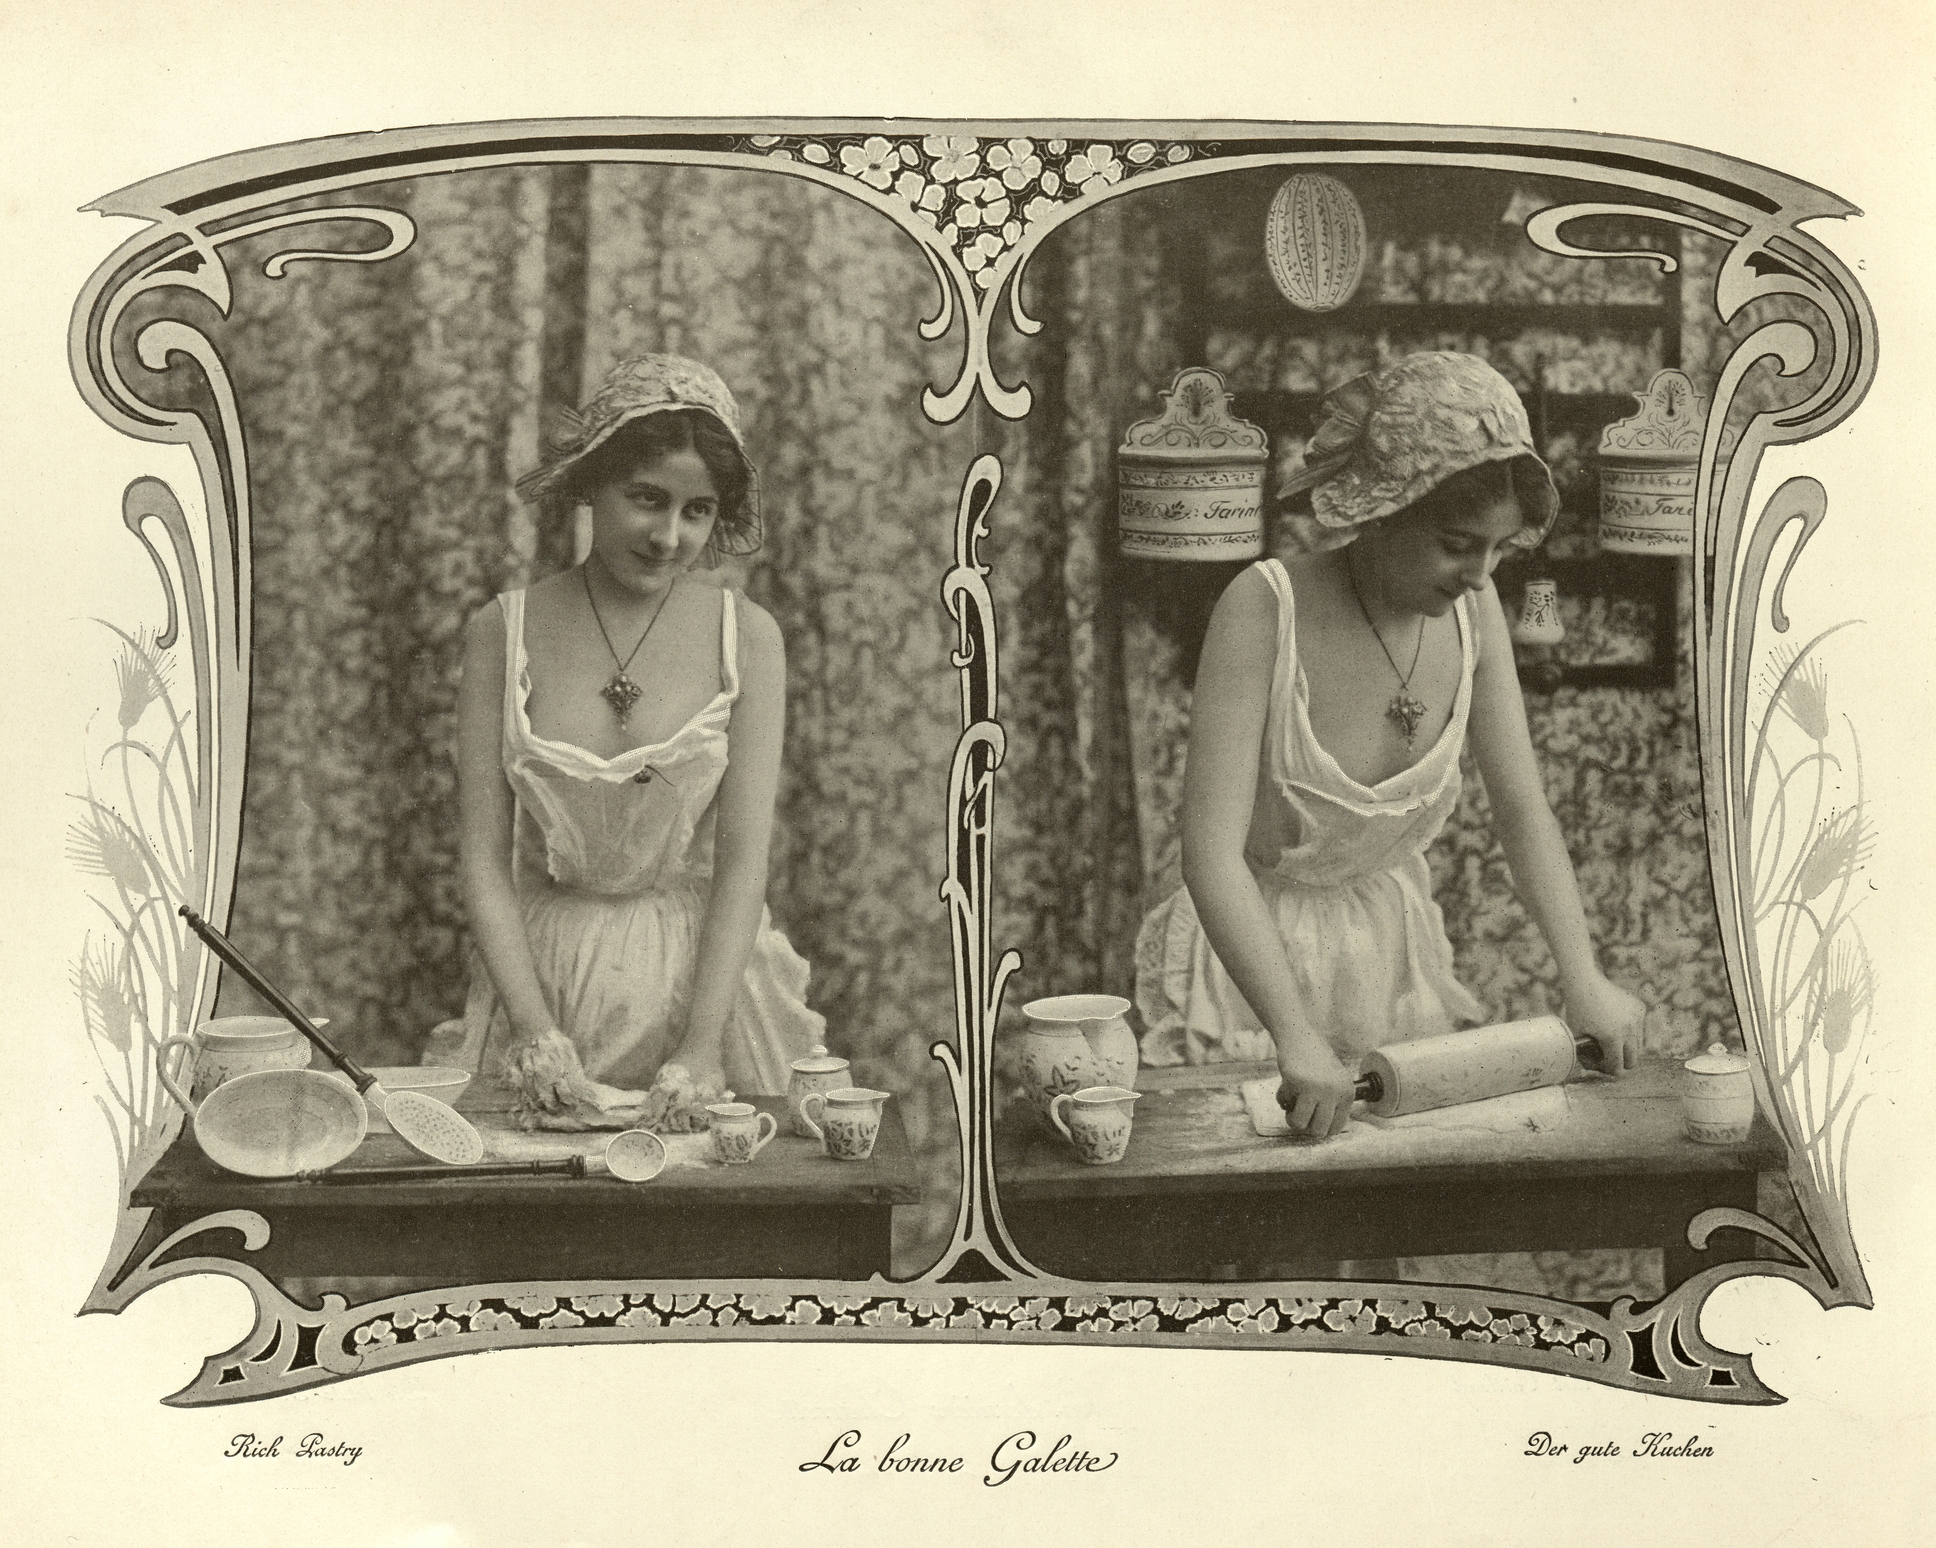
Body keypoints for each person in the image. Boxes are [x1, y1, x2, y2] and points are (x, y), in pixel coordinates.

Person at [1135, 352, 1646, 1140]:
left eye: (1501, 550)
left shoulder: (1476, 618)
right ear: (1382, 510)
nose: (1479, 575)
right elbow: (1209, 852)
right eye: (1456, 543)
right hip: (1250, 964)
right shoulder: (1264, 606)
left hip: (1388, 958)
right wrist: (1294, 1035)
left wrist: (1585, 980)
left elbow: (1522, 812)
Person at [425, 354, 823, 1131]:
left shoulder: (749, 638)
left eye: (698, 511)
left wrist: (703, 1046)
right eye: (647, 500)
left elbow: (744, 864)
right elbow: (482, 858)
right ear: (591, 484)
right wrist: (536, 1031)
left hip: (706, 982)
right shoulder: (500, 633)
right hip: (544, 972)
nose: (669, 536)